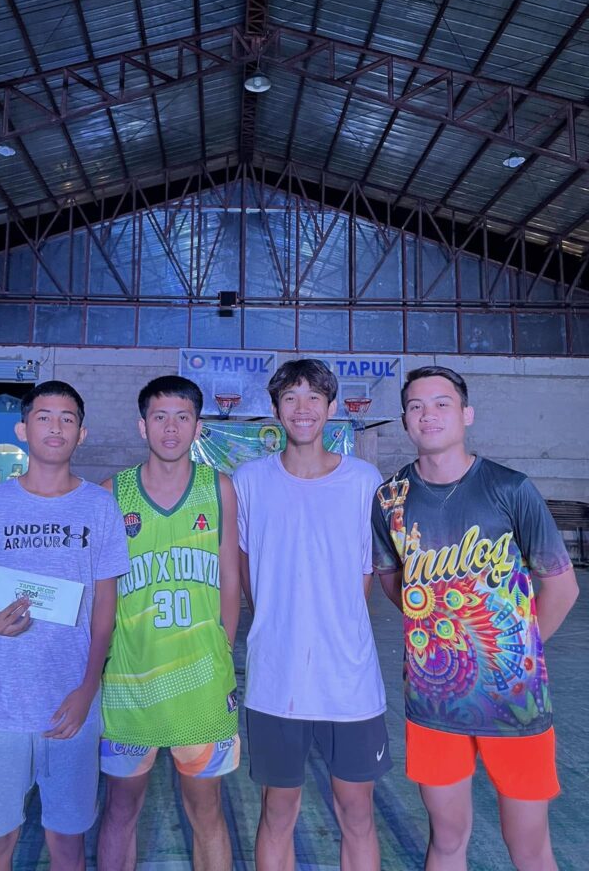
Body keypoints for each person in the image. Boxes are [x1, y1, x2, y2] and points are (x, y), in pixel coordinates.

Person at [372, 365, 579, 871]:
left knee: (529, 847)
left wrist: (515, 651)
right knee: (446, 839)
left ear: (466, 414)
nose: (428, 414)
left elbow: (562, 586)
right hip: (434, 702)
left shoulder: (511, 488)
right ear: (405, 420)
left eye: (441, 403)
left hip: (515, 702)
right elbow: (391, 579)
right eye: (416, 406)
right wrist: (434, 625)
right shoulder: (390, 499)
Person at [0, 380, 129, 871]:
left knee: (67, 844)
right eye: (44, 416)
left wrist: (87, 689)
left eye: (67, 419)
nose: (56, 427)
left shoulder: (99, 506)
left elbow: (105, 607)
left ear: (82, 433)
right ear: (23, 429)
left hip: (69, 704)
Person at [233, 359, 390, 871]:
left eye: (313, 398)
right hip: (276, 679)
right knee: (277, 813)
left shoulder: (363, 480)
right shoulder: (250, 481)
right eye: (290, 398)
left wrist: (332, 624)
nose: (302, 409)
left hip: (349, 680)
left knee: (357, 813)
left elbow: (365, 576)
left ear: (332, 407)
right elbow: (246, 571)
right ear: (275, 409)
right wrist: (281, 621)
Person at [97, 376, 240, 871]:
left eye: (182, 417)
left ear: (198, 427)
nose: (171, 428)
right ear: (143, 426)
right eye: (160, 417)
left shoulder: (219, 489)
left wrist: (221, 650)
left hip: (201, 687)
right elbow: (101, 592)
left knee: (206, 811)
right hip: (128, 686)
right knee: (120, 809)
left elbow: (230, 579)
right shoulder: (112, 493)